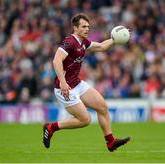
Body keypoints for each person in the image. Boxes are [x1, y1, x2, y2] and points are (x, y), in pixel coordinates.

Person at [42, 13, 130, 152]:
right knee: (85, 120)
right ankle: (51, 127)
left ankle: (110, 142)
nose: (87, 29)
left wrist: (115, 39)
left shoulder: (83, 42)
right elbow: (56, 60)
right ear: (75, 28)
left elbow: (101, 46)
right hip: (64, 88)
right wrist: (63, 83)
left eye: (88, 26)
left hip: (77, 84)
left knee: (102, 107)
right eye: (83, 26)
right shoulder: (70, 42)